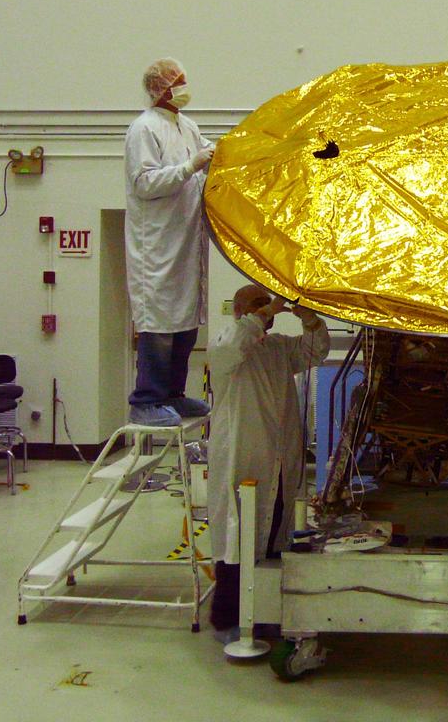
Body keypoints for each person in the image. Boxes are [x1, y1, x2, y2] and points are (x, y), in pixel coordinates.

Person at [206, 284, 331, 643]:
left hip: (277, 461)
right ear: (240, 312)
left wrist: (307, 317)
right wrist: (263, 312)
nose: (268, 310)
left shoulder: (278, 349)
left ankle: (265, 614)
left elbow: (315, 352)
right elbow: (233, 345)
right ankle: (227, 618)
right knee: (238, 539)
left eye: (269, 303)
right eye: (258, 305)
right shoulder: (226, 347)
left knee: (274, 533)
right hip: (243, 459)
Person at [124, 57, 215, 427]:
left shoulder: (187, 126)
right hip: (157, 247)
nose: (183, 86)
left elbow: (212, 155)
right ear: (159, 88)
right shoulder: (144, 129)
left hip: (185, 242)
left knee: (185, 324)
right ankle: (146, 400)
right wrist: (191, 167)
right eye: (177, 81)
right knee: (159, 327)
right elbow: (144, 183)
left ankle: (174, 395)